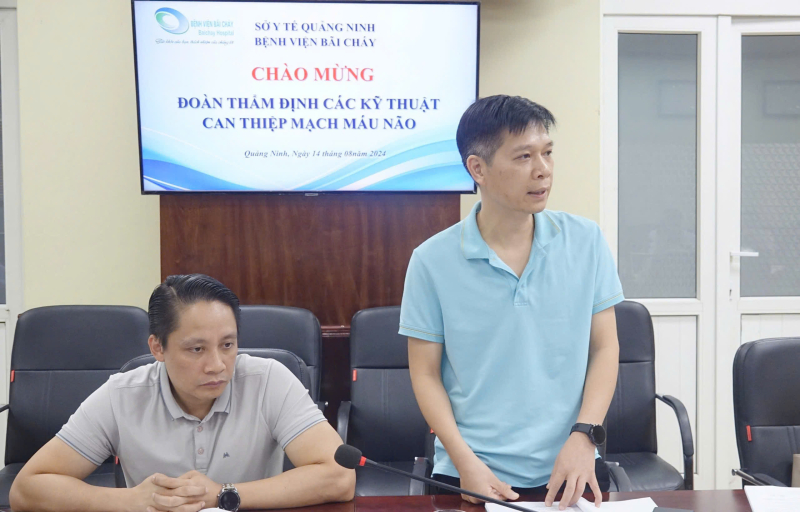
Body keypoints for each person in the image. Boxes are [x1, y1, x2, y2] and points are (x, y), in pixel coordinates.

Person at [400, 96, 623, 510]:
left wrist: (585, 436)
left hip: (572, 467)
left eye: (547, 153)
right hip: (472, 475)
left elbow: (605, 347)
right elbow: (425, 374)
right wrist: (465, 462)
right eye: (524, 156)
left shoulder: (586, 241)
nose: (543, 169)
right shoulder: (431, 261)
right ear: (478, 169)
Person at [10, 274, 355, 512]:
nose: (217, 365)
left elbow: (340, 477)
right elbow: (27, 488)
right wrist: (132, 501)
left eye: (227, 345)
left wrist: (223, 494)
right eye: (196, 349)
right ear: (158, 347)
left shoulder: (267, 380)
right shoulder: (123, 395)